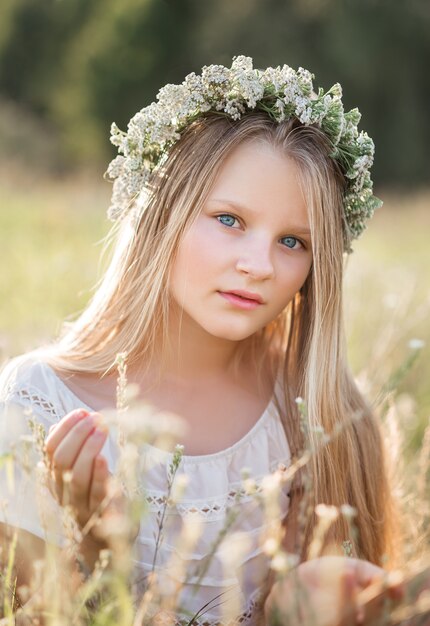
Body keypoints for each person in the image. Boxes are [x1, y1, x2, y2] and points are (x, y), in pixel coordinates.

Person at [0, 56, 402, 625]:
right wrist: (96, 553)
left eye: (293, 241)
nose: (259, 265)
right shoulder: (41, 401)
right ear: (163, 213)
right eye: (230, 220)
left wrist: (294, 607)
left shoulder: (323, 418)